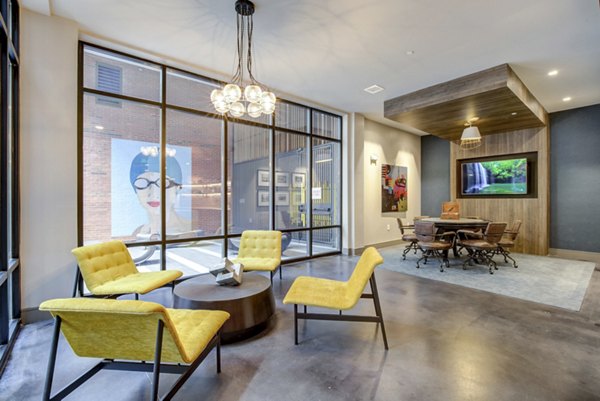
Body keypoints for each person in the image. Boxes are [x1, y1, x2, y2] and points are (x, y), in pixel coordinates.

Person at [129, 151, 190, 238]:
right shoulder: (139, 232)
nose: (154, 193)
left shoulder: (188, 230)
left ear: (176, 189)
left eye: (163, 183)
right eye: (142, 183)